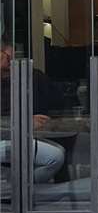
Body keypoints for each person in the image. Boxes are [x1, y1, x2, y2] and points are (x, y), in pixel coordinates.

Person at [0, 40, 67, 182]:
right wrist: (24, 121)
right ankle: (18, 188)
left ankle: (20, 186)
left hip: (25, 135)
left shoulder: (33, 77)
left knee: (59, 150)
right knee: (55, 156)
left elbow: (58, 102)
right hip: (6, 138)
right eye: (7, 55)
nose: (11, 59)